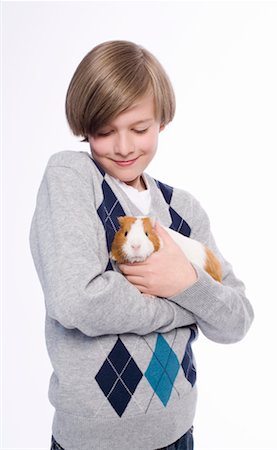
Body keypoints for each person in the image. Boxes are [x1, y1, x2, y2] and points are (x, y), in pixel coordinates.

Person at [29, 40, 254, 450]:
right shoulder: (73, 178)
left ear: (162, 122)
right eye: (104, 131)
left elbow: (236, 319)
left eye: (139, 128)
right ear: (84, 128)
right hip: (92, 442)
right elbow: (76, 300)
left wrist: (187, 281)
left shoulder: (182, 209)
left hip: (178, 434)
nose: (124, 147)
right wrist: (180, 303)